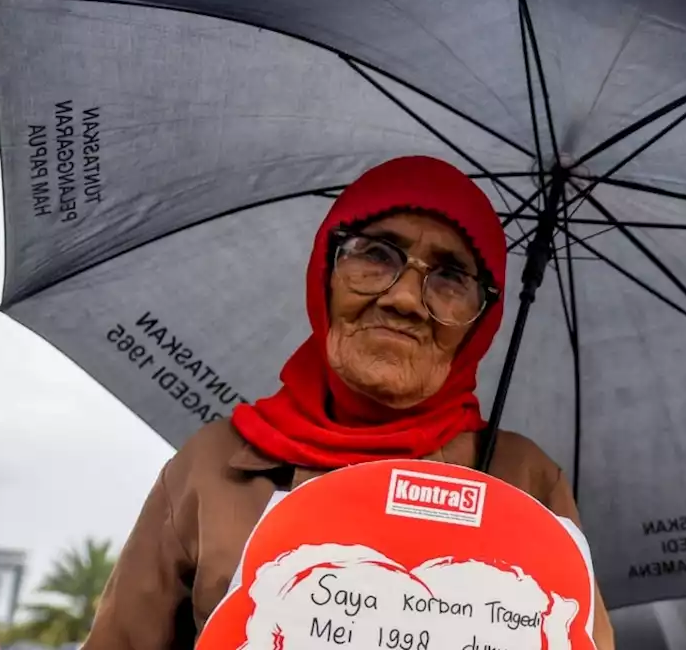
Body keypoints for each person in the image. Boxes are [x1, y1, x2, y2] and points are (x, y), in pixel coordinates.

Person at [84, 156, 615, 649]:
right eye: (376, 255)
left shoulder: (522, 481)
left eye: (451, 277)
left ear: (483, 320)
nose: (405, 298)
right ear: (326, 270)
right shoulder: (212, 467)